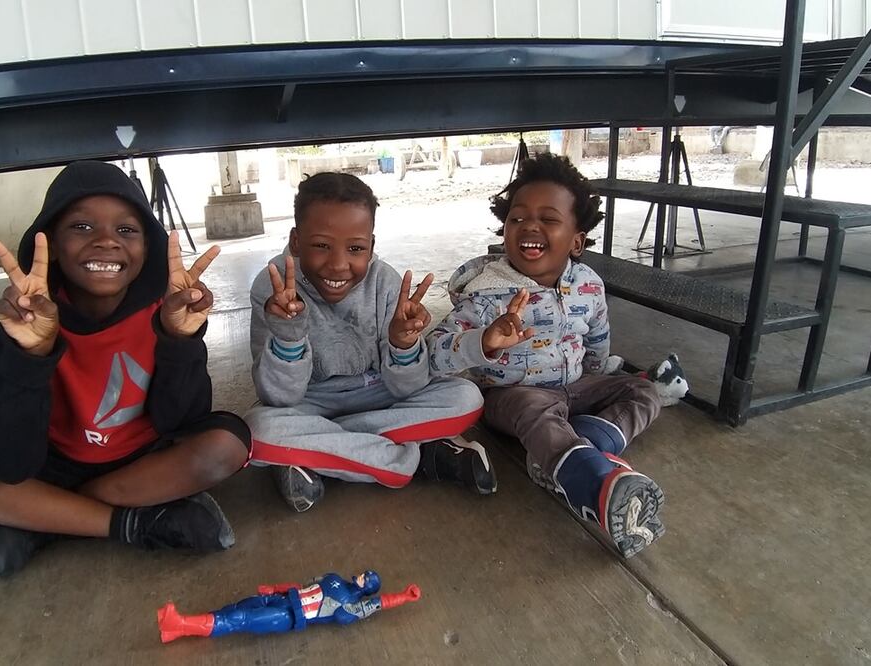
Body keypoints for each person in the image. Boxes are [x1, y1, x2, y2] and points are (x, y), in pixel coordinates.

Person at [0, 161, 250, 579]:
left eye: (127, 230)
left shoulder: (167, 312)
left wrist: (180, 341)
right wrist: (30, 354)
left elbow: (181, 422)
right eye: (82, 227)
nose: (106, 241)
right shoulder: (29, 320)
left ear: (149, 248)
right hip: (49, 462)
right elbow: (9, 461)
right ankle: (127, 523)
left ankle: (45, 520)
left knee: (227, 446)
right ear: (49, 242)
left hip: (139, 461)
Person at [427, 153, 664, 558]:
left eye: (548, 219)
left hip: (574, 387)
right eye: (517, 218)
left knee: (645, 392)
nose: (529, 227)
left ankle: (570, 447)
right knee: (534, 410)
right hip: (512, 396)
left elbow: (597, 338)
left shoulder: (588, 284)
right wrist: (484, 339)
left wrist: (597, 376)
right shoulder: (487, 291)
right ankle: (593, 486)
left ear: (577, 240)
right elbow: (435, 351)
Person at [245, 172, 493, 513]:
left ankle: (321, 448)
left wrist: (403, 344)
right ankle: (406, 459)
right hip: (307, 401)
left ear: (371, 247)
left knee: (466, 397)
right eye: (320, 245)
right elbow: (278, 396)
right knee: (255, 430)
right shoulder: (271, 286)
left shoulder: (386, 283)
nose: (338, 264)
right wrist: (288, 336)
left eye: (355, 249)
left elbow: (406, 388)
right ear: (296, 241)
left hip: (379, 393)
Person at [157, 570, 421, 642]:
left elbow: (376, 605)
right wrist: (276, 588)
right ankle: (179, 629)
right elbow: (303, 584)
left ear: (368, 588)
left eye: (368, 578)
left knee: (242, 619)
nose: (363, 576)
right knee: (236, 607)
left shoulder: (350, 606)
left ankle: (180, 623)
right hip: (283, 598)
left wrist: (403, 596)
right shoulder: (333, 578)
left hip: (289, 616)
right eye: (366, 573)